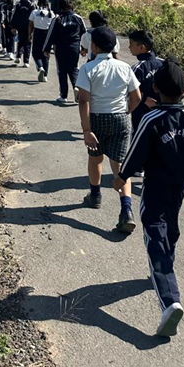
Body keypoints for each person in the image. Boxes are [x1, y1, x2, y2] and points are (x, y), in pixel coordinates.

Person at [114, 58, 184, 337]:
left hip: (154, 188)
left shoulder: (151, 119)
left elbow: (136, 151)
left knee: (154, 236)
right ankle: (165, 269)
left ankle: (169, 300)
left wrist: (122, 176)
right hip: (180, 186)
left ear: (155, 89)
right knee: (170, 228)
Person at [76, 27, 141, 233]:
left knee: (96, 159)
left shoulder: (88, 69)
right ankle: (126, 210)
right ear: (114, 46)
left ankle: (95, 195)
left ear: (94, 46)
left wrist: (87, 129)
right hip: (120, 118)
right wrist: (126, 111)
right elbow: (137, 97)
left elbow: (83, 100)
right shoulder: (125, 68)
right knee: (119, 166)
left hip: (97, 119)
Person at [43, 0, 87, 103]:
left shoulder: (57, 18)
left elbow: (50, 34)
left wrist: (46, 49)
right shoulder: (78, 18)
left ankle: (63, 95)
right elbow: (84, 34)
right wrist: (84, 48)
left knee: (62, 71)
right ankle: (77, 88)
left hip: (60, 47)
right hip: (74, 47)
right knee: (74, 69)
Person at [128, 30, 163, 131]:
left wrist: (144, 99)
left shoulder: (138, 68)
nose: (129, 47)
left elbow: (129, 90)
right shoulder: (164, 63)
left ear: (141, 47)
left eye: (131, 44)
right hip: (162, 112)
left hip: (141, 114)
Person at [28, 0, 54, 82]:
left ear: (38, 3)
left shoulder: (35, 12)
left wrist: (29, 34)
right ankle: (45, 75)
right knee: (46, 54)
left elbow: (30, 25)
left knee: (36, 53)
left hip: (37, 33)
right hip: (47, 34)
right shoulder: (51, 13)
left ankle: (40, 67)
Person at [11, 0, 34, 67]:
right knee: (28, 43)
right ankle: (26, 61)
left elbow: (15, 15)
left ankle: (18, 57)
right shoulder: (32, 4)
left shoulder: (19, 4)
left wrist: (13, 26)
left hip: (20, 26)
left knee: (20, 41)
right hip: (29, 26)